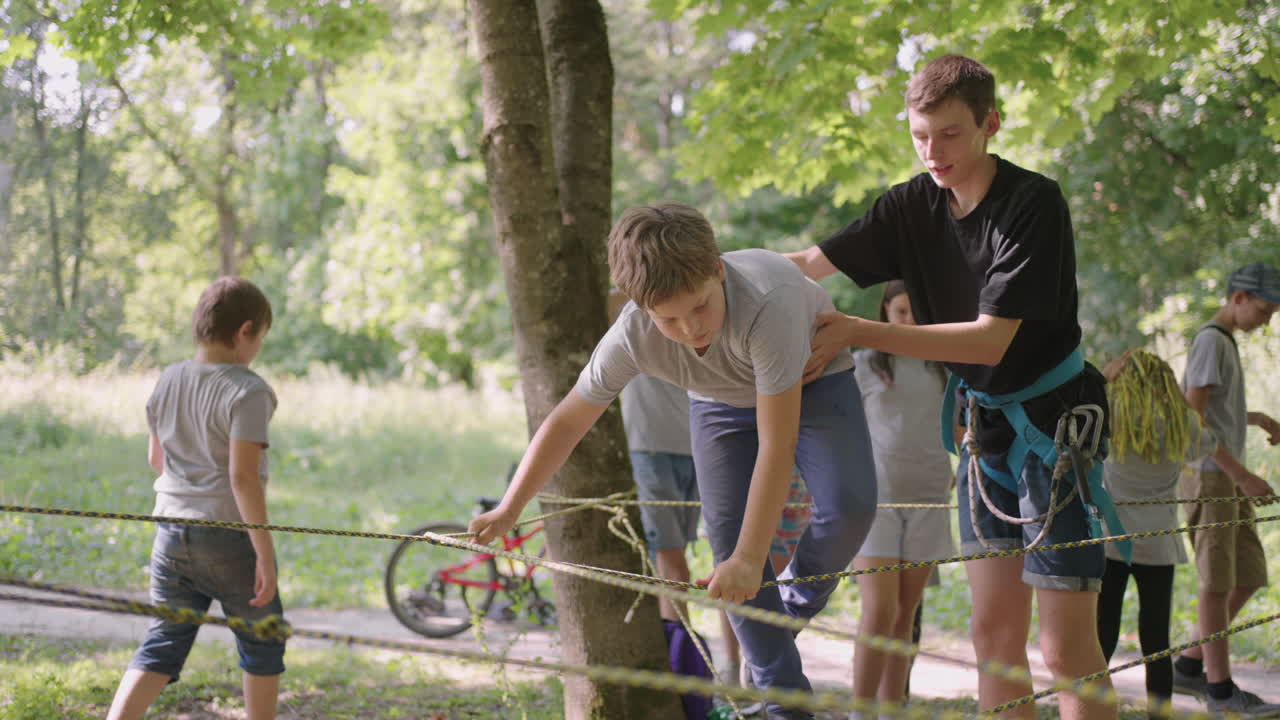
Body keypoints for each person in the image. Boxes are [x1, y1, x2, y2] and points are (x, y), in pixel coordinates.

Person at [786, 54, 1121, 719]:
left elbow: (989, 339)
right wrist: (707, 276)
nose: (931, 151)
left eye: (949, 134)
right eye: (919, 134)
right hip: (983, 430)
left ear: (989, 125)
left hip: (1055, 429)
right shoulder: (912, 204)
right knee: (994, 640)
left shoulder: (1032, 204)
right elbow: (804, 265)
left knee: (1064, 646)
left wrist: (858, 330)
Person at [471, 202, 877, 720]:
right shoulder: (632, 335)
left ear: (718, 271)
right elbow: (568, 420)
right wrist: (510, 507)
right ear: (640, 307)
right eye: (669, 318)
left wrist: (755, 563)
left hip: (813, 378)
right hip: (719, 406)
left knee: (850, 506)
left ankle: (786, 609)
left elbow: (777, 443)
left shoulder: (766, 301)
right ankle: (784, 706)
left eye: (701, 308)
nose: (689, 329)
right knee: (731, 546)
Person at [107, 277, 285, 720]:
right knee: (263, 638)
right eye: (260, 337)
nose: (258, 347)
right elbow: (242, 479)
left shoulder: (169, 378)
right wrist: (265, 554)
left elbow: (156, 459)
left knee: (165, 640)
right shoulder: (248, 390)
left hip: (170, 532)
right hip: (227, 538)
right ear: (245, 331)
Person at [1171, 262, 1280, 717]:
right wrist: (1242, 476)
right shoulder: (1211, 342)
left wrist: (1255, 419)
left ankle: (1189, 665)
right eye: (1264, 308)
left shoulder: (1225, 343)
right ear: (1238, 298)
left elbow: (1216, 410)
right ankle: (1220, 692)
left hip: (1225, 475)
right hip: (1210, 476)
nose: (1268, 319)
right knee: (1216, 584)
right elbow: (1191, 420)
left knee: (1249, 574)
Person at [849, 281, 954, 720]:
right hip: (878, 499)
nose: (909, 320)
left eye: (917, 311)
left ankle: (894, 709)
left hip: (929, 494)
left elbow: (960, 426)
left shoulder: (944, 367)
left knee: (905, 613)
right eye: (901, 311)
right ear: (886, 312)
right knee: (880, 610)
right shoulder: (862, 363)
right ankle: (862, 711)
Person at [1096, 350, 1218, 719]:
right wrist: (1178, 400)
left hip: (1111, 540)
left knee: (1103, 635)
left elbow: (1079, 409)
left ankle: (1094, 708)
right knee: (1156, 641)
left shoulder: (1111, 415)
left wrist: (1105, 378)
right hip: (1159, 544)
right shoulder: (1180, 422)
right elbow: (1208, 443)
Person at [609, 290, 700, 624]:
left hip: (684, 447)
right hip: (663, 446)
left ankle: (680, 647)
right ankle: (680, 645)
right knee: (670, 558)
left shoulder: (688, 308)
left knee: (672, 559)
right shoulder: (632, 311)